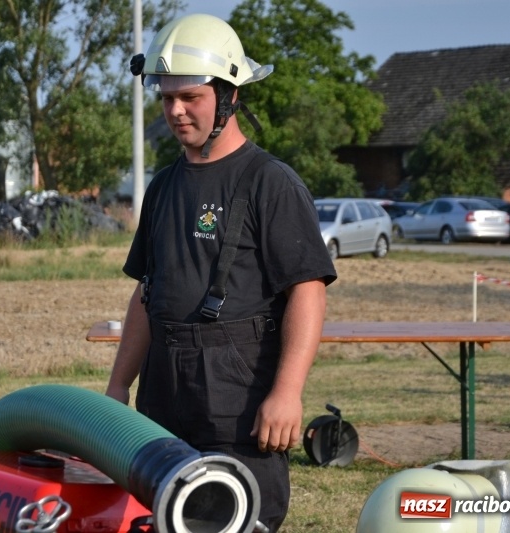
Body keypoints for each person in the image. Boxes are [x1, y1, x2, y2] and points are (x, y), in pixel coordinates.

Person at [105, 14, 337, 531]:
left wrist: (287, 393)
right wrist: (120, 386)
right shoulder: (163, 187)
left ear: (229, 95)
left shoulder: (270, 183)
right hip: (163, 391)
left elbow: (307, 291)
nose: (176, 111)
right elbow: (148, 292)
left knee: (236, 519)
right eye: (166, 98)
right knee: (157, 518)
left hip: (237, 394)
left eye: (191, 97)